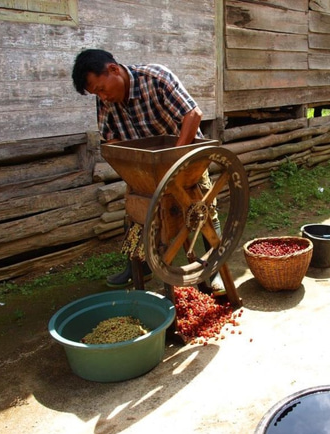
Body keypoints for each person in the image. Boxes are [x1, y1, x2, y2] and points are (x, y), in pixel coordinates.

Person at [71, 48, 225, 295]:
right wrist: (130, 166)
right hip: (144, 169)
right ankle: (139, 268)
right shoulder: (106, 100)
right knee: (135, 214)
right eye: (95, 93)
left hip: (186, 161)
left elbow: (193, 115)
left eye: (101, 88)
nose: (101, 96)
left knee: (203, 212)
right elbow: (109, 140)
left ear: (113, 69)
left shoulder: (155, 78)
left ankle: (214, 271)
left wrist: (172, 162)